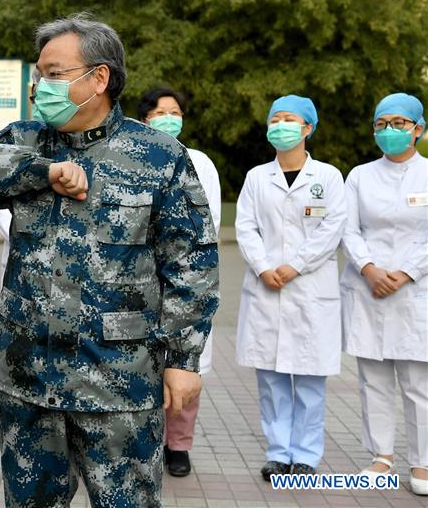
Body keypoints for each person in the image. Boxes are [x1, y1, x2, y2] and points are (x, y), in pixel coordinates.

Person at [0, 15, 219, 508]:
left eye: (54, 74)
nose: (40, 86)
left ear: (99, 78)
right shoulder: (25, 140)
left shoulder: (159, 155)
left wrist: (184, 359)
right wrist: (40, 172)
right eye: (39, 74)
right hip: (29, 378)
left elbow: (191, 262)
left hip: (119, 383)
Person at [235, 95, 345, 480]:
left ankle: (307, 457)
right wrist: (265, 267)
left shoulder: (329, 177)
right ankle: (279, 453)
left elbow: (333, 229)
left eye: (290, 119)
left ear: (308, 128)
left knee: (311, 383)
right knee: (272, 382)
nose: (281, 125)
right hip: (266, 288)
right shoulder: (255, 177)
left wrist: (294, 266)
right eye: (275, 119)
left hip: (311, 290)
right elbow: (245, 227)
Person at [341, 93, 427, 495]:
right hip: (368, 287)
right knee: (373, 380)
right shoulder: (359, 175)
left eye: (399, 123)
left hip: (416, 292)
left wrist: (407, 273)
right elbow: (349, 229)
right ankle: (381, 456)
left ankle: (422, 463)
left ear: (418, 130)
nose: (389, 131)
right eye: (381, 124)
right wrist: (371, 270)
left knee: (417, 384)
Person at [137, 86, 221, 478]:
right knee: (140, 369)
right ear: (144, 119)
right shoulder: (133, 156)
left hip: (183, 280)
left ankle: (179, 446)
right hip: (138, 282)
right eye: (159, 112)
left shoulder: (200, 162)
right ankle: (145, 445)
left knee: (184, 366)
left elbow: (211, 224)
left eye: (174, 111)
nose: (168, 117)